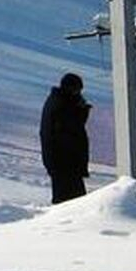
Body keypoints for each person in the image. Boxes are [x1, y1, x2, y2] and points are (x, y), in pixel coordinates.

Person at [40, 73, 91, 204]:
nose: (79, 93)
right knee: (72, 202)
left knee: (69, 200)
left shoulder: (58, 101)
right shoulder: (62, 105)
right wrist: (82, 111)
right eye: (77, 90)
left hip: (62, 162)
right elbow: (72, 129)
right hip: (64, 162)